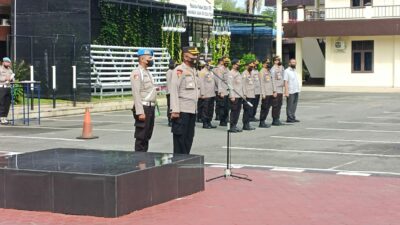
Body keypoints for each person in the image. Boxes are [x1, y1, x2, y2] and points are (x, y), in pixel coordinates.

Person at [170, 47, 200, 154]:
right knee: (180, 139)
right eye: (193, 55)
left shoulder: (194, 70)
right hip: (182, 110)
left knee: (189, 138)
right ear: (185, 56)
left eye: (196, 55)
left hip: (192, 109)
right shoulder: (179, 70)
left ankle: (185, 160)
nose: (196, 57)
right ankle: (178, 163)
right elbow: (174, 90)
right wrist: (175, 110)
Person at [131, 49, 157, 152]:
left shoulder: (148, 72)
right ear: (142, 59)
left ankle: (144, 160)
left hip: (150, 107)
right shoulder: (137, 72)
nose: (151, 60)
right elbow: (136, 94)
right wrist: (140, 112)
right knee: (141, 137)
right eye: (149, 58)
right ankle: (139, 161)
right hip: (143, 107)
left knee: (147, 135)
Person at [199, 60, 217, 129]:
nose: (211, 67)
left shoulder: (211, 72)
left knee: (211, 109)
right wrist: (202, 94)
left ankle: (209, 121)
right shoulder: (202, 72)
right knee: (205, 109)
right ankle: (205, 123)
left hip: (212, 93)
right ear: (206, 65)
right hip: (206, 94)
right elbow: (201, 83)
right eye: (210, 65)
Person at [227, 59, 243, 133]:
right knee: (234, 111)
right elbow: (230, 85)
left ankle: (235, 125)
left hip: (239, 95)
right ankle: (232, 126)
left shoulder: (238, 72)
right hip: (234, 95)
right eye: (237, 64)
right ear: (233, 65)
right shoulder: (231, 73)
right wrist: (232, 95)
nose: (239, 65)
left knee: (237, 111)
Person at [284, 58, 301, 123]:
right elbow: (285, 81)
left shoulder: (294, 71)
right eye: (292, 62)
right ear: (289, 63)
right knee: (290, 105)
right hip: (290, 91)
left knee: (294, 105)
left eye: (295, 62)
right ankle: (289, 118)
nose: (294, 63)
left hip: (296, 90)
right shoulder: (287, 71)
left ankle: (293, 116)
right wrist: (286, 91)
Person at [259, 59, 274, 128]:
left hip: (270, 93)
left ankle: (264, 121)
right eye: (266, 63)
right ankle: (261, 122)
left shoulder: (269, 71)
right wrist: (263, 93)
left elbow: (271, 82)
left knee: (267, 108)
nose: (268, 64)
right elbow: (261, 83)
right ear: (263, 64)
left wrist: (274, 91)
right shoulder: (262, 72)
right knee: (264, 108)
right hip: (265, 93)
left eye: (269, 63)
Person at [270, 56, 285, 126]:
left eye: (278, 60)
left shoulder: (281, 68)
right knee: (275, 105)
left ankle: (277, 118)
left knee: (279, 104)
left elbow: (283, 77)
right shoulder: (273, 69)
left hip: (281, 89)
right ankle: (274, 119)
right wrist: (274, 90)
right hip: (276, 89)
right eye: (276, 60)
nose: (277, 61)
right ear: (274, 61)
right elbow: (272, 80)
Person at [242, 61, 256, 131]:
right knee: (246, 110)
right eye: (250, 66)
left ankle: (248, 123)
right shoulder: (244, 73)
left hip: (252, 94)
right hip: (247, 94)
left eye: (252, 66)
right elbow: (243, 84)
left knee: (250, 110)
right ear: (246, 66)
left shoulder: (252, 73)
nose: (252, 67)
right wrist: (244, 94)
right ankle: (245, 124)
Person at [0, 57, 14, 125]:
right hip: (2, 87)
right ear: (3, 62)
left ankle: (5, 117)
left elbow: (13, 78)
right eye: (7, 62)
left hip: (8, 87)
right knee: (2, 103)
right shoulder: (0, 69)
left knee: (7, 103)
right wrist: (5, 78)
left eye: (9, 63)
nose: (8, 64)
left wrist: (11, 79)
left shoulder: (10, 70)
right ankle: (1, 118)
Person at [166, 59, 175, 127]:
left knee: (172, 107)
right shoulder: (170, 72)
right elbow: (171, 82)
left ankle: (172, 119)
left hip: (172, 92)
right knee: (170, 107)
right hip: (170, 92)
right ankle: (170, 120)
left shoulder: (172, 71)